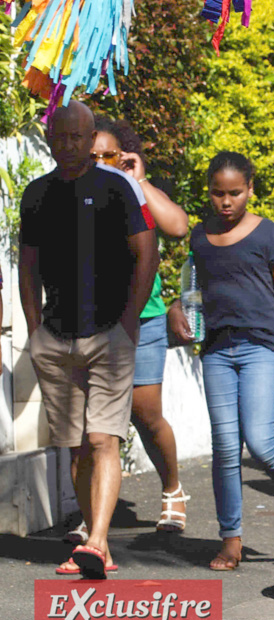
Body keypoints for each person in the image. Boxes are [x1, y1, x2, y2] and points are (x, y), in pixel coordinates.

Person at [19, 101, 159, 579]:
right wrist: (35, 328)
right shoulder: (36, 194)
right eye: (61, 137)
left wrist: (128, 319)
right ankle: (93, 535)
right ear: (52, 139)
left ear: (88, 138)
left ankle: (98, 540)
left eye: (78, 137)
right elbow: (28, 264)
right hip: (56, 338)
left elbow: (147, 253)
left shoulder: (115, 187)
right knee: (76, 446)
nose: (69, 145)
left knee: (103, 438)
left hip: (109, 334)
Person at [169, 152, 274, 571]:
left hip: (261, 348)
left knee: (261, 441)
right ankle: (231, 540)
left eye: (234, 193)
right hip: (216, 352)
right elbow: (192, 289)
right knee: (226, 447)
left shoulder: (267, 234)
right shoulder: (199, 236)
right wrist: (178, 308)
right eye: (217, 193)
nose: (225, 202)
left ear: (250, 190)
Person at [89, 116, 192, 537]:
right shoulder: (74, 193)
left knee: (145, 414)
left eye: (108, 155)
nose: (100, 162)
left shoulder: (136, 193)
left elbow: (179, 226)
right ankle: (91, 512)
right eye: (92, 154)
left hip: (143, 318)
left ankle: (173, 489)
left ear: (124, 155)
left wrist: (139, 179)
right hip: (90, 321)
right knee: (91, 424)